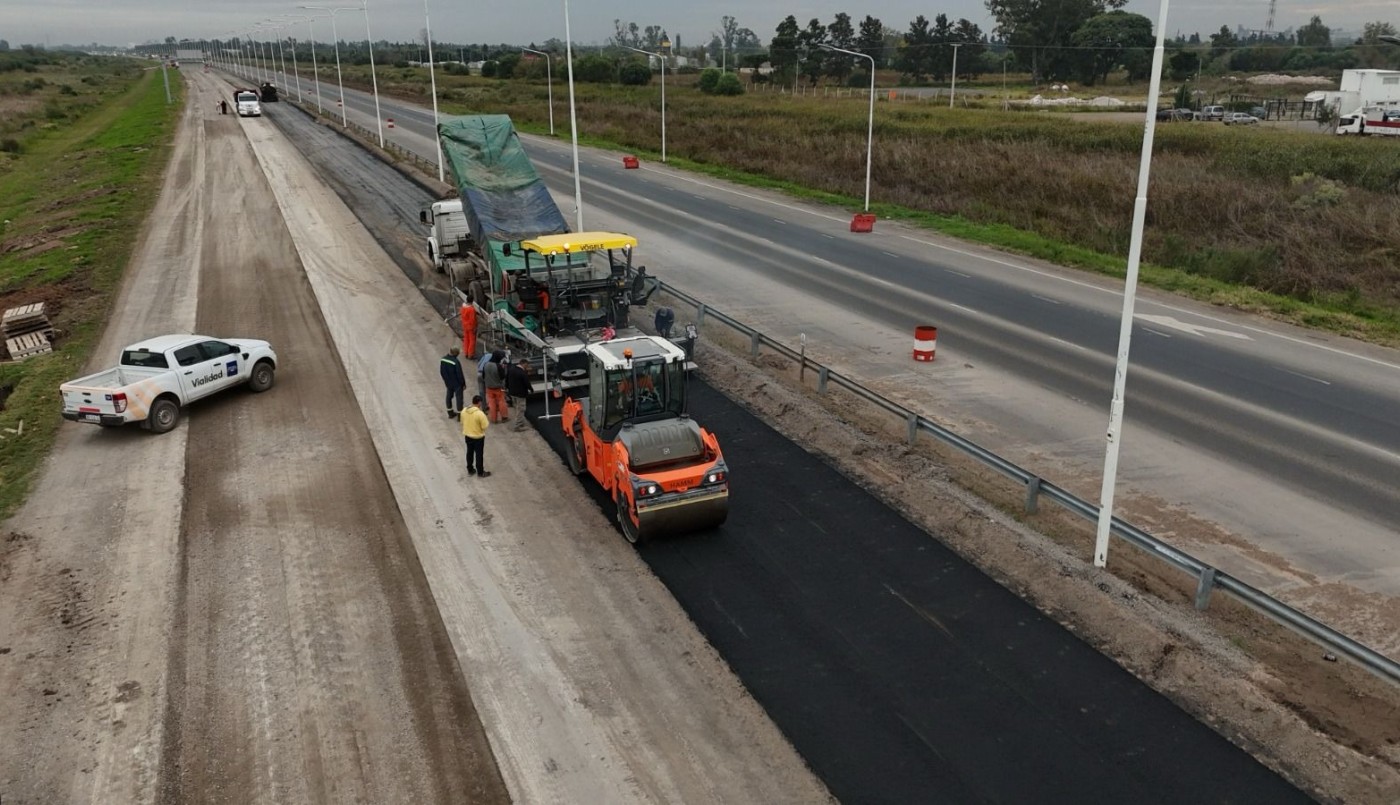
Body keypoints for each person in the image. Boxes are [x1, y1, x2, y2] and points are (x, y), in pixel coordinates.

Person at [461, 395, 491, 477]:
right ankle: (480, 472)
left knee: (469, 452)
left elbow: (462, 421)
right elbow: (485, 426)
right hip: (478, 437)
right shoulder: (480, 414)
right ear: (479, 403)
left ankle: (470, 469)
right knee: (479, 454)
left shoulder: (464, 410)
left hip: (467, 435)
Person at [504, 358, 532, 432]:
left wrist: (506, 388)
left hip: (512, 393)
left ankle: (521, 422)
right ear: (524, 364)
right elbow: (527, 383)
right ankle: (517, 426)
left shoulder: (511, 369)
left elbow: (506, 379)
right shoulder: (522, 373)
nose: (527, 366)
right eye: (527, 365)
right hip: (520, 394)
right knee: (521, 409)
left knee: (516, 407)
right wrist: (531, 389)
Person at [439, 346, 466, 418]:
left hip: (448, 382)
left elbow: (442, 372)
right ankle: (460, 415)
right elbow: (459, 374)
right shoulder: (456, 362)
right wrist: (463, 383)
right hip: (457, 383)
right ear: (456, 353)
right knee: (459, 398)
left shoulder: (443, 359)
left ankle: (450, 412)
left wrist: (446, 380)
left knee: (449, 396)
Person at [483, 350, 508, 423]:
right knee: (501, 402)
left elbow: (483, 376)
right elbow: (503, 377)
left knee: (491, 403)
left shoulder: (486, 364)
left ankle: (494, 419)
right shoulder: (498, 366)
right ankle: (504, 417)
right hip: (498, 388)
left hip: (489, 388)